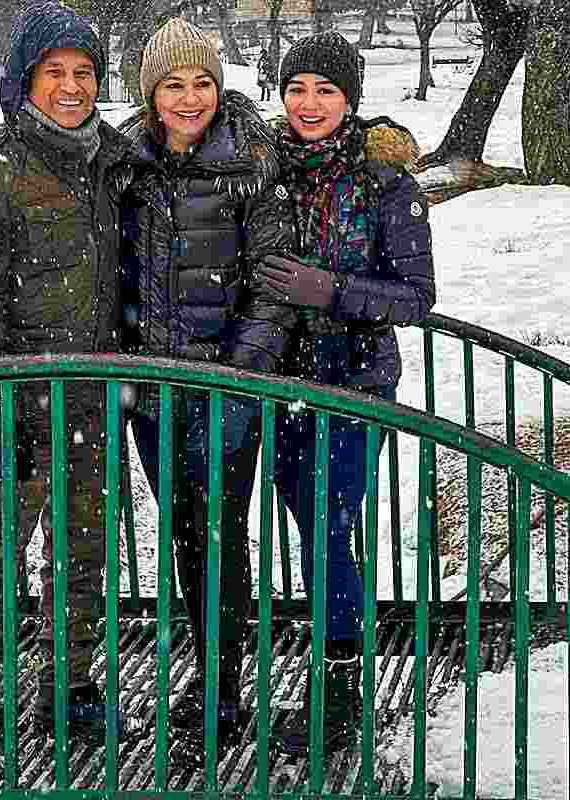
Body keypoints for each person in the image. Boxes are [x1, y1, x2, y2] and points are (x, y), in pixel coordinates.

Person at [0, 0, 137, 779]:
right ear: (24, 80)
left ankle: (70, 684)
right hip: (16, 403)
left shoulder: (112, 163)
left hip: (95, 397)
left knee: (84, 555)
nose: (72, 87)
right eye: (55, 72)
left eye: (84, 72)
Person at [118, 16, 294, 760]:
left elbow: (275, 282)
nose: (190, 99)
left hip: (225, 387)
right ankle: (206, 665)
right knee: (185, 532)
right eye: (173, 85)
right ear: (149, 92)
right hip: (152, 390)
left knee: (217, 531)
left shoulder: (250, 157)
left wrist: (234, 371)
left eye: (202, 83)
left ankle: (221, 687)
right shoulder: (121, 161)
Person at [259, 30, 435, 756]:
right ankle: (327, 638)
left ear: (350, 99)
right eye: (296, 88)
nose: (308, 104)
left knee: (331, 525)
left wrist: (333, 291)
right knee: (307, 522)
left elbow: (417, 296)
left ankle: (339, 680)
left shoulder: (385, 183)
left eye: (325, 90)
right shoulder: (263, 168)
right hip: (278, 378)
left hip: (356, 380)